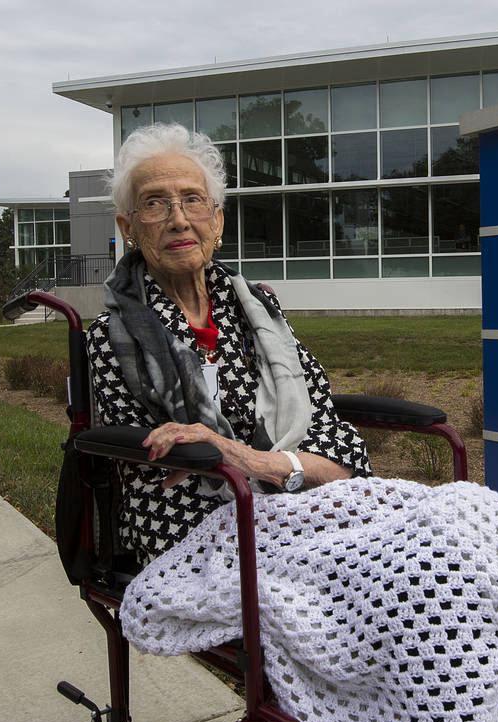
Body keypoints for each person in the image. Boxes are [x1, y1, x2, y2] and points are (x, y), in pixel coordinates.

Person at [87, 123, 371, 566]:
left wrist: (254, 462)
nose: (178, 219)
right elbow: (160, 475)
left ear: (216, 220)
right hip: (193, 527)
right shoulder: (112, 336)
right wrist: (281, 471)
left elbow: (341, 448)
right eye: (155, 203)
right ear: (129, 227)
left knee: (460, 528)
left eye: (193, 200)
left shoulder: (261, 313)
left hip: (297, 506)